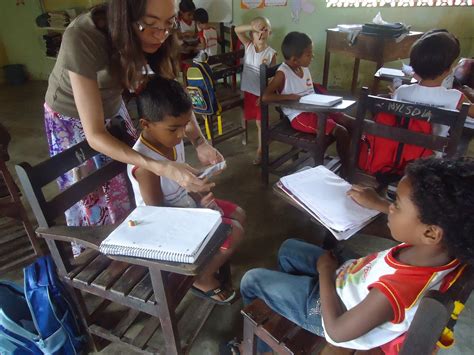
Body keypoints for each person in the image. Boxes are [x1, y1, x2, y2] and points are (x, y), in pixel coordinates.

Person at [240, 156, 474, 353]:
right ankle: (289, 303)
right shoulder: (442, 249)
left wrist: (325, 273)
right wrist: (378, 203)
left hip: (334, 312)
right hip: (351, 280)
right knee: (288, 248)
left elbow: (338, 331)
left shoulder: (395, 292)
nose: (390, 207)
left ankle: (258, 347)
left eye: (397, 205)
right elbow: (415, 226)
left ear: (431, 233)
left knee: (252, 280)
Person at [43, 0, 223, 254]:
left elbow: (173, 95)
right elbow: (94, 134)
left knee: (125, 185)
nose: (160, 35)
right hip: (71, 118)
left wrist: (200, 141)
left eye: (169, 24)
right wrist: (163, 167)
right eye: (149, 25)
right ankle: (103, 256)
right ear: (124, 17)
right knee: (93, 198)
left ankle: (136, 245)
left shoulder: (161, 36)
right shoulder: (84, 36)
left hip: (113, 106)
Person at [127, 76, 245, 304]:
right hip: (163, 226)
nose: (182, 134)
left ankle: (211, 260)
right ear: (145, 124)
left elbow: (181, 184)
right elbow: (157, 213)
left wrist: (200, 190)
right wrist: (198, 209)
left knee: (239, 213)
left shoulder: (171, 138)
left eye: (184, 126)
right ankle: (201, 277)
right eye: (174, 129)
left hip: (186, 207)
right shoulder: (145, 164)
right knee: (234, 231)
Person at [262, 31, 350, 174]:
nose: (312, 56)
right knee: (341, 131)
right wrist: (288, 96)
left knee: (350, 122)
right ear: (295, 59)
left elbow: (309, 91)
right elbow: (265, 97)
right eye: (308, 54)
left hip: (315, 108)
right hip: (300, 116)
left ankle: (354, 161)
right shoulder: (282, 73)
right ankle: (347, 170)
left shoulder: (303, 68)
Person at [393, 30, 473, 138]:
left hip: (401, 150)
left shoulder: (401, 91)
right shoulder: (456, 97)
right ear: (449, 69)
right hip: (432, 153)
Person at [235, 17, 277, 165]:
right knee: (252, 119)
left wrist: (265, 95)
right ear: (252, 33)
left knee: (260, 122)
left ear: (269, 32)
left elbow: (272, 80)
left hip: (261, 93)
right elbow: (236, 30)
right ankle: (267, 134)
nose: (261, 34)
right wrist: (251, 25)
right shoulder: (249, 46)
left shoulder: (271, 54)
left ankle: (260, 151)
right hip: (248, 92)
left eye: (264, 29)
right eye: (257, 31)